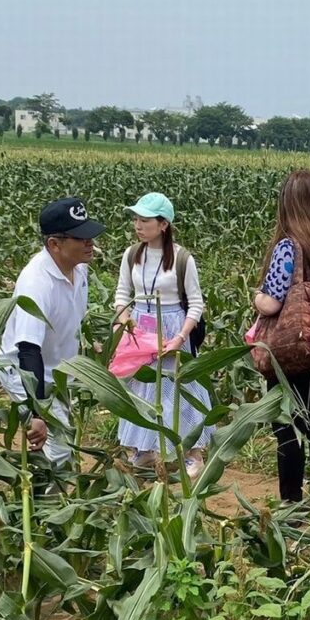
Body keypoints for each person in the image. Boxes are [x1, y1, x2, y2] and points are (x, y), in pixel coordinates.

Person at [253, 170, 310, 503]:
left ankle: (292, 502)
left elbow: (273, 300)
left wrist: (256, 298)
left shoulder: (289, 247)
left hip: (291, 350)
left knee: (286, 425)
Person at [0, 197, 105, 466]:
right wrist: (36, 411)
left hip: (57, 373)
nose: (89, 242)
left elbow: (69, 318)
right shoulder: (36, 283)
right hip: (27, 375)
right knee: (58, 452)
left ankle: (39, 493)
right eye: (80, 238)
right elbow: (28, 349)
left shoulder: (79, 270)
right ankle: (43, 502)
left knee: (56, 447)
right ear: (54, 244)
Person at [113, 192, 213, 475]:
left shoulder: (182, 259)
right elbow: (122, 293)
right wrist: (125, 320)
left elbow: (195, 303)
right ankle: (144, 450)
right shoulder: (132, 255)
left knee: (179, 388)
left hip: (172, 328)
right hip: (140, 328)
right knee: (143, 388)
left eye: (144, 220)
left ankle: (192, 452)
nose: (137, 225)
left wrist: (180, 338)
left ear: (163, 224)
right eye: (136, 219)